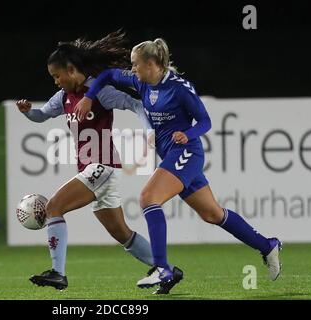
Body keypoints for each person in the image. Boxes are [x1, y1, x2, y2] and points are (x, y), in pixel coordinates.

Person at [75, 38, 282, 294]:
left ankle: (162, 268)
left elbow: (205, 122)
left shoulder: (180, 88)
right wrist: (88, 96)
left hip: (186, 152)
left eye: (135, 64)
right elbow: (107, 75)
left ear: (151, 63)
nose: (132, 69)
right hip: (171, 154)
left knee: (148, 198)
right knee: (213, 214)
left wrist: (189, 134)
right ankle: (268, 245)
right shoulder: (140, 81)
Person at [16, 31, 172, 290]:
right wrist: (28, 112)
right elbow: (42, 115)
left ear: (71, 69)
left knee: (53, 207)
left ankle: (58, 273)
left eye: (57, 76)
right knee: (122, 234)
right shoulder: (64, 97)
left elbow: (135, 104)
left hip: (102, 166)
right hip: (99, 171)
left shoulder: (98, 92)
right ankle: (167, 269)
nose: (56, 82)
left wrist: (148, 130)